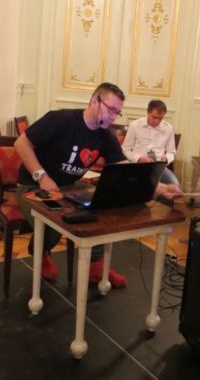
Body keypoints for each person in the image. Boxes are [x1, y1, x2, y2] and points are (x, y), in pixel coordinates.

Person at [15, 83, 181, 289]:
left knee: (102, 203)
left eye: (117, 112)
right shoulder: (60, 119)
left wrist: (160, 188)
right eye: (111, 110)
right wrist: (42, 177)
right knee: (54, 218)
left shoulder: (105, 135)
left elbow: (125, 171)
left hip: (68, 186)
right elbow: (21, 143)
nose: (113, 117)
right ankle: (41, 252)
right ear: (95, 101)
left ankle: (96, 265)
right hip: (32, 185)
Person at [122, 99, 179, 185]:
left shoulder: (168, 128)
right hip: (138, 165)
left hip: (158, 167)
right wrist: (139, 158)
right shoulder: (135, 125)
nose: (157, 121)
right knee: (140, 184)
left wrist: (167, 158)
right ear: (148, 112)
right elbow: (125, 150)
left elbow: (171, 152)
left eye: (160, 118)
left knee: (174, 185)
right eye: (154, 117)